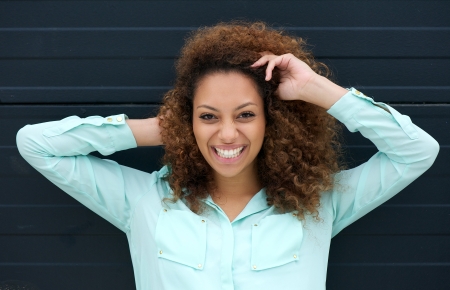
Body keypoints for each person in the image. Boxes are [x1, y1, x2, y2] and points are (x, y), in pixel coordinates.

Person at [16, 22, 439, 290]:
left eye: (246, 115)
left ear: (272, 120)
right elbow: (36, 144)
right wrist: (158, 128)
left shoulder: (320, 203)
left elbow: (416, 152)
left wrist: (315, 90)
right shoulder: (143, 201)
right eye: (208, 116)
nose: (228, 133)